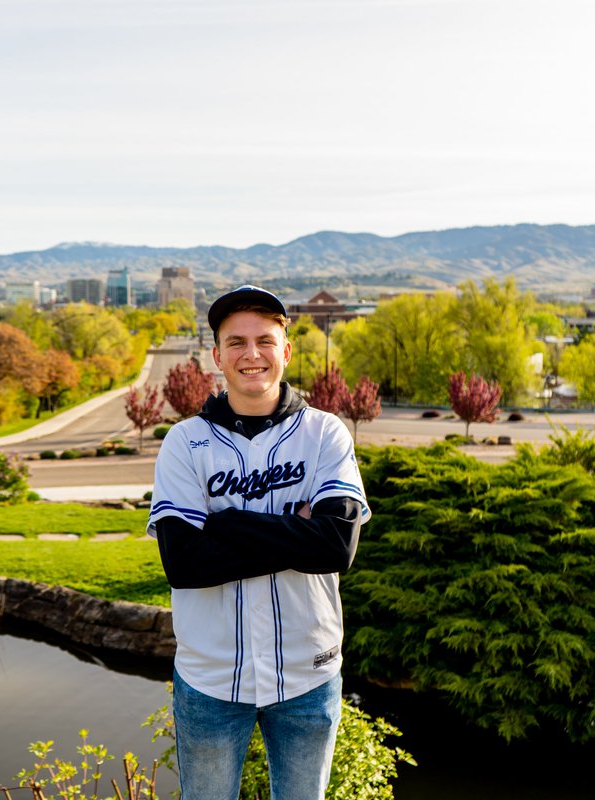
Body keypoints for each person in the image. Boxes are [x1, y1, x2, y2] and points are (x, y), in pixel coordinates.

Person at [148, 285, 370, 800]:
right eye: (237, 342)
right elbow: (183, 563)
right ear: (217, 356)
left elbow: (336, 548)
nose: (252, 354)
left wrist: (223, 525)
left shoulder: (325, 435)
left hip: (307, 674)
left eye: (265, 340)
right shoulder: (184, 443)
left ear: (286, 350)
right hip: (210, 678)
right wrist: (297, 529)